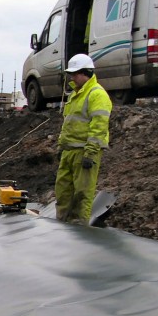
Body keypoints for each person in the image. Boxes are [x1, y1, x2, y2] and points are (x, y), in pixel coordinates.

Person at [55, 54, 113, 224]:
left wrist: (90, 152)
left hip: (85, 151)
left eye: (75, 74)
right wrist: (61, 146)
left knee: (82, 194)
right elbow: (68, 123)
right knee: (63, 191)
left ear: (85, 72)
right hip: (69, 150)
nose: (72, 77)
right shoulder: (75, 94)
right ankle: (61, 227)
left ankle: (81, 231)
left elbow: (99, 126)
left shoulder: (97, 94)